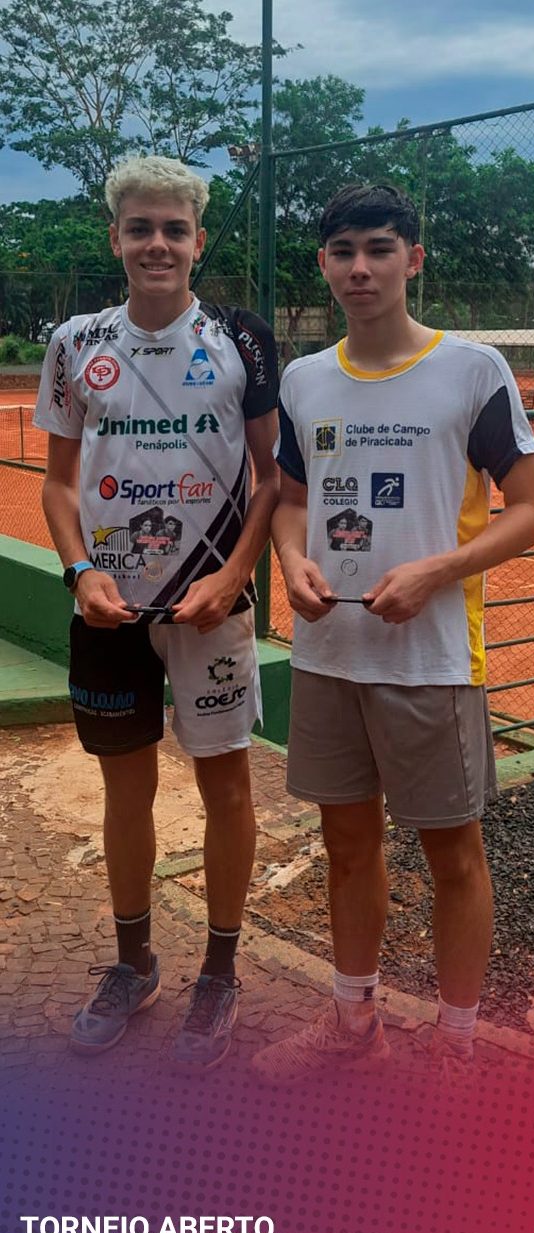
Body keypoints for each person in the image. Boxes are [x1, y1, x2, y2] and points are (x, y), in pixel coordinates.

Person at [252, 182, 534, 1083]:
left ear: (412, 260)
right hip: (329, 655)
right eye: (343, 252)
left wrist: (435, 571)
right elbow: (291, 500)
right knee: (346, 847)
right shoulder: (305, 379)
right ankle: (353, 1022)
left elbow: (530, 511)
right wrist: (289, 560)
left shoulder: (472, 370)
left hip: (432, 660)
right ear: (322, 264)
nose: (360, 268)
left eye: (379, 249)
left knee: (452, 854)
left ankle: (455, 1044)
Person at [34, 155, 279, 1068]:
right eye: (140, 228)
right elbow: (60, 484)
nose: (157, 244)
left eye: (174, 229)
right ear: (115, 238)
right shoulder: (75, 342)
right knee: (124, 790)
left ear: (198, 241)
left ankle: (218, 973)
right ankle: (134, 964)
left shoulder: (242, 338)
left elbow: (272, 479)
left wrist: (237, 573)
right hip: (109, 609)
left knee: (226, 787)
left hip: (211, 605)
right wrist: (77, 571)